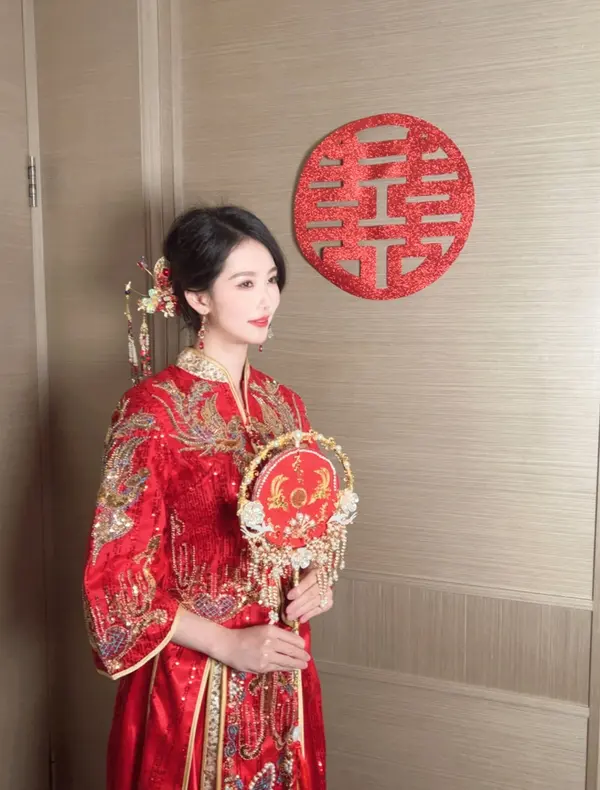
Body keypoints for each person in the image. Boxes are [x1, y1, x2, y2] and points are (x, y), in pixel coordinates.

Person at [82, 205, 331, 790]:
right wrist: (227, 643)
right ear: (198, 298)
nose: (266, 298)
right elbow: (115, 581)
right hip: (192, 676)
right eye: (244, 284)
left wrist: (314, 578)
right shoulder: (152, 411)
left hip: (281, 662)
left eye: (271, 279)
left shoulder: (284, 406)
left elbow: (301, 527)